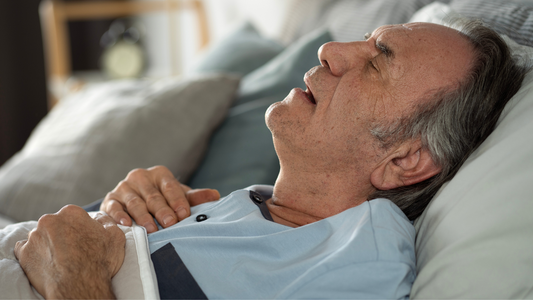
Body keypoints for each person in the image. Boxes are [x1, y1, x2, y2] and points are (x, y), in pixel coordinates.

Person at [14, 20, 529, 299]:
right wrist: (110, 212)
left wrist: (75, 281)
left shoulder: (361, 260)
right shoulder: (245, 207)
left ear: (405, 162)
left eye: (376, 62)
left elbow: (67, 266)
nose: (330, 49)